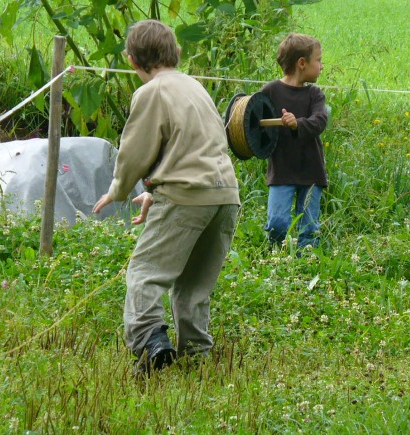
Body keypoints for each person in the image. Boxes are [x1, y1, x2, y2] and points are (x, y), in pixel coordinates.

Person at [93, 19, 240, 376]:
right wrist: (153, 192)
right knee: (193, 287)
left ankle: (150, 346)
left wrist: (120, 190)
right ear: (177, 52)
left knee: (144, 274)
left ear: (131, 59)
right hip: (225, 197)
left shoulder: (152, 92)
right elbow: (190, 148)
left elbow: (134, 152)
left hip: (186, 195)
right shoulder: (195, 86)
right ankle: (196, 359)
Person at [260, 33, 328, 251]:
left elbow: (319, 121)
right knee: (277, 224)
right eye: (318, 60)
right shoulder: (270, 91)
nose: (321, 66)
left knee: (308, 227)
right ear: (302, 63)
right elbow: (251, 118)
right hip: (281, 170)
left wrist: (296, 124)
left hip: (311, 171)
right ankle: (277, 260)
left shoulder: (315, 94)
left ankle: (305, 266)